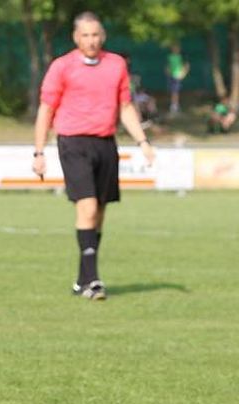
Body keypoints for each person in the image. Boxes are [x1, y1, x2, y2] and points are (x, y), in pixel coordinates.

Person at [33, 11, 156, 300]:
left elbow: (125, 106)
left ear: (103, 36)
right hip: (73, 143)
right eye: (85, 35)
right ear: (76, 38)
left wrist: (142, 141)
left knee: (99, 213)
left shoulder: (116, 65)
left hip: (105, 143)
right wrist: (39, 151)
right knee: (87, 208)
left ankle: (82, 279)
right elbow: (46, 109)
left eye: (96, 34)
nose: (91, 40)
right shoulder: (62, 67)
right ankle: (93, 282)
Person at [165, 43, 189, 114]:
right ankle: (174, 105)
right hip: (171, 76)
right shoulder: (169, 56)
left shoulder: (182, 56)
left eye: (177, 47)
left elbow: (186, 66)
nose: (175, 49)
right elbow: (167, 66)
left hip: (178, 76)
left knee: (175, 91)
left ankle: (174, 105)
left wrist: (183, 74)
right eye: (174, 47)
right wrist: (168, 73)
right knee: (172, 91)